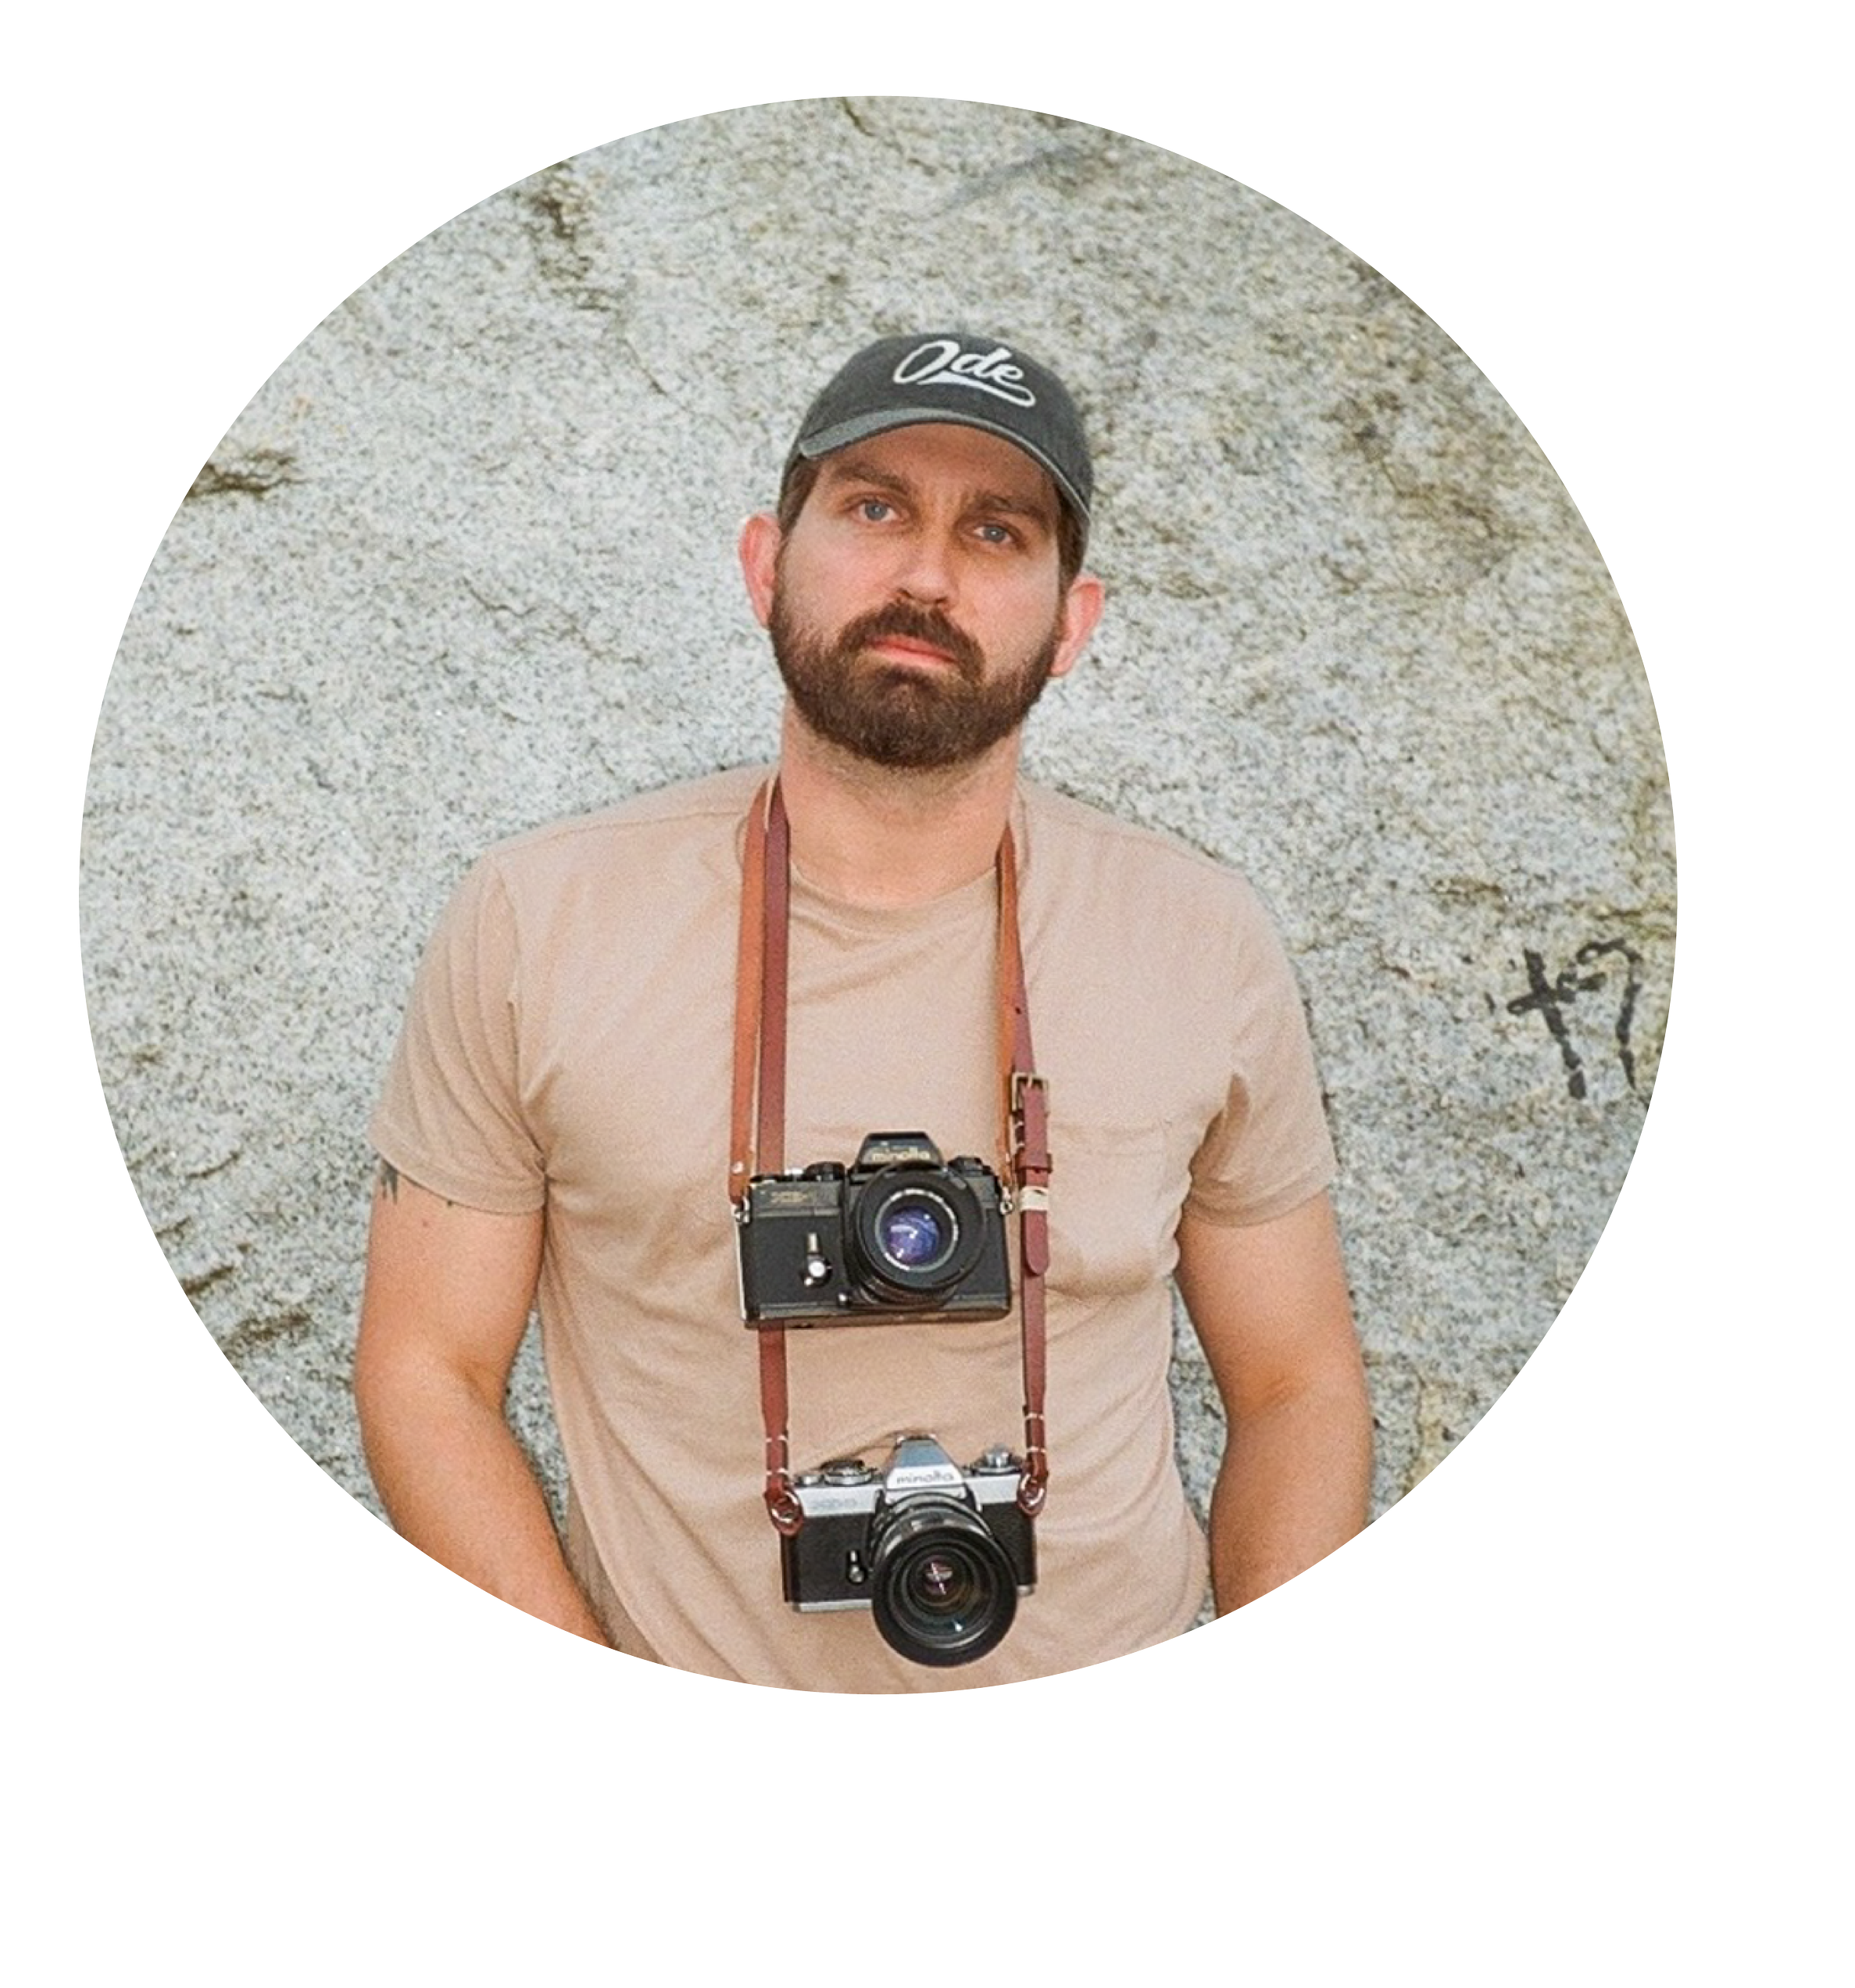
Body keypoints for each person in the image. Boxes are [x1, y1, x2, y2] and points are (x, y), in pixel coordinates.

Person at [356, 331, 1372, 1689]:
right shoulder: (540, 920)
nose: (927, 573)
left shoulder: (1201, 937)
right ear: (767, 560)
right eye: (875, 506)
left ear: (1074, 624)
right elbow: (424, 1375)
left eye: (998, 532)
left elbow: (1298, 1382)